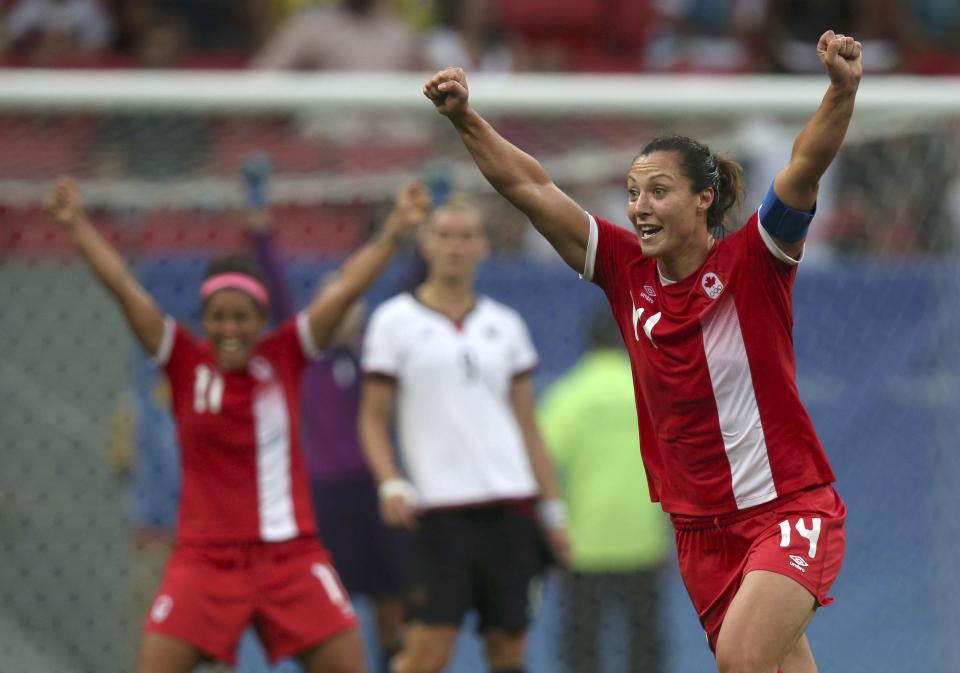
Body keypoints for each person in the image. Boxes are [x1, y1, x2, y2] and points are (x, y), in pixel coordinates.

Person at [422, 28, 861, 673]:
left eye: (658, 191)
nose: (639, 208)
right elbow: (533, 189)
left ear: (703, 199)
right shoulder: (626, 272)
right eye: (632, 192)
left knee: (742, 659)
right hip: (698, 531)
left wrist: (841, 92)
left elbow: (802, 165)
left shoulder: (757, 260)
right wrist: (466, 120)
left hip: (787, 507)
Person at [44, 175, 430, 673]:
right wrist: (77, 226)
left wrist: (395, 230)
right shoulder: (182, 360)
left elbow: (350, 285)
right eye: (218, 317)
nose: (230, 329)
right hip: (204, 561)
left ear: (262, 318)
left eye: (242, 317)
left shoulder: (287, 354)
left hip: (290, 557)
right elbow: (123, 286)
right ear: (203, 320)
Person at [358, 196, 572, 673]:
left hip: (511, 509)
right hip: (439, 515)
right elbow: (373, 417)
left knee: (509, 652)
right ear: (426, 244)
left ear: (483, 246)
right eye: (444, 235)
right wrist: (390, 480)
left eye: (466, 236)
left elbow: (527, 425)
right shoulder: (394, 322)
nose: (455, 246)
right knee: (425, 653)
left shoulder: (505, 325)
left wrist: (553, 512)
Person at [243, 157, 409, 673]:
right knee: (328, 608)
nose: (342, 306)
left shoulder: (375, 354)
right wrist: (257, 208)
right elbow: (273, 280)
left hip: (377, 492)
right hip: (326, 496)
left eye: (349, 298)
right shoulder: (302, 356)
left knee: (393, 602)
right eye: (330, 300)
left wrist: (427, 218)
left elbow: (415, 283)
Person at [538, 310, 670, 673]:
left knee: (582, 646)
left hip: (584, 543)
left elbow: (541, 460)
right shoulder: (651, 391)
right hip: (642, 540)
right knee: (645, 646)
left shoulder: (569, 395)